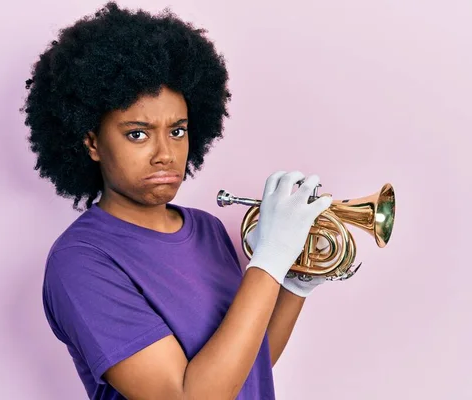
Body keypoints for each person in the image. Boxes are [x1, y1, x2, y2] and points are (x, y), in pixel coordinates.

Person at [21, 2, 332, 399]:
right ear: (92, 142)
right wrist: (268, 261)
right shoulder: (80, 261)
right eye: (138, 133)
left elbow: (246, 365)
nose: (165, 153)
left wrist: (292, 285)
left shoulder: (207, 229)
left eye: (178, 131)